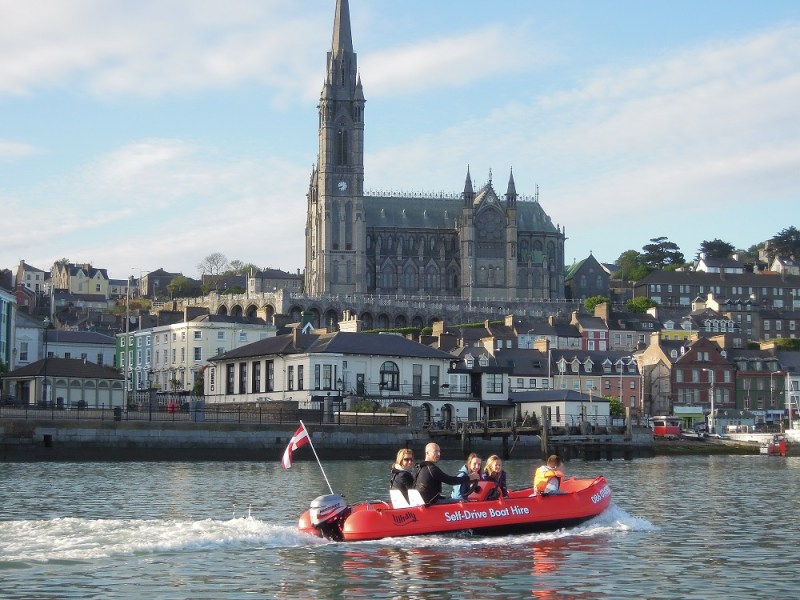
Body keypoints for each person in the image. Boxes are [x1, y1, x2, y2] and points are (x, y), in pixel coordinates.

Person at [414, 442, 479, 505]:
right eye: (435, 451)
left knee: (447, 498)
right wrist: (469, 477)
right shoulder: (432, 469)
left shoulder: (421, 467)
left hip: (424, 501)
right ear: (427, 453)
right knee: (463, 501)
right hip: (431, 503)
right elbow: (451, 481)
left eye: (439, 451)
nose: (438, 454)